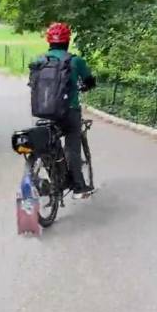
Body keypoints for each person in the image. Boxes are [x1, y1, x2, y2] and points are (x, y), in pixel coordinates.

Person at [35, 22, 96, 199]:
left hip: (43, 110)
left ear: (49, 41)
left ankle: (54, 176)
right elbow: (89, 81)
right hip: (69, 111)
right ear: (67, 40)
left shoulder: (40, 60)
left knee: (47, 143)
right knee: (72, 146)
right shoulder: (75, 60)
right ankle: (78, 187)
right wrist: (84, 86)